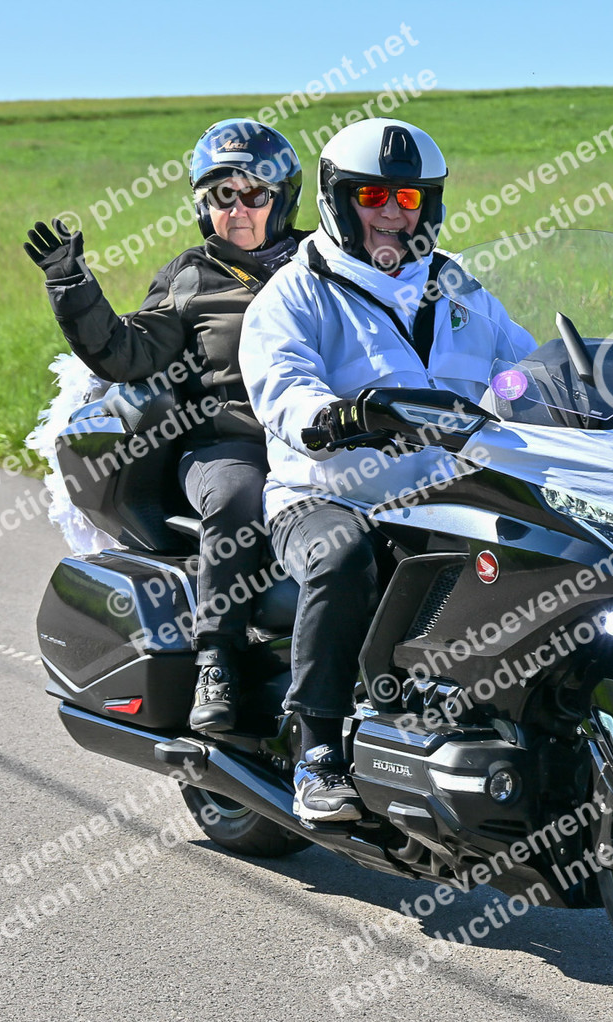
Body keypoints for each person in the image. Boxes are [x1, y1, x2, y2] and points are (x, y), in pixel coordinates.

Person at [239, 118, 535, 822]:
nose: (393, 214)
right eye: (373, 196)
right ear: (338, 200)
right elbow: (282, 386)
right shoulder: (298, 292)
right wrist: (336, 416)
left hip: (449, 495)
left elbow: (524, 368)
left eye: (409, 198)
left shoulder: (461, 290)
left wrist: (592, 387)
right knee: (342, 556)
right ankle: (318, 752)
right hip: (327, 495)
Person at [23, 118, 311, 734]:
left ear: (282, 197)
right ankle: (217, 660)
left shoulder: (321, 261)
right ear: (204, 206)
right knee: (237, 496)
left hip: (321, 436)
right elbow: (127, 353)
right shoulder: (193, 275)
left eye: (253, 194)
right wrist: (73, 287)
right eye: (222, 195)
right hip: (231, 441)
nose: (237, 209)